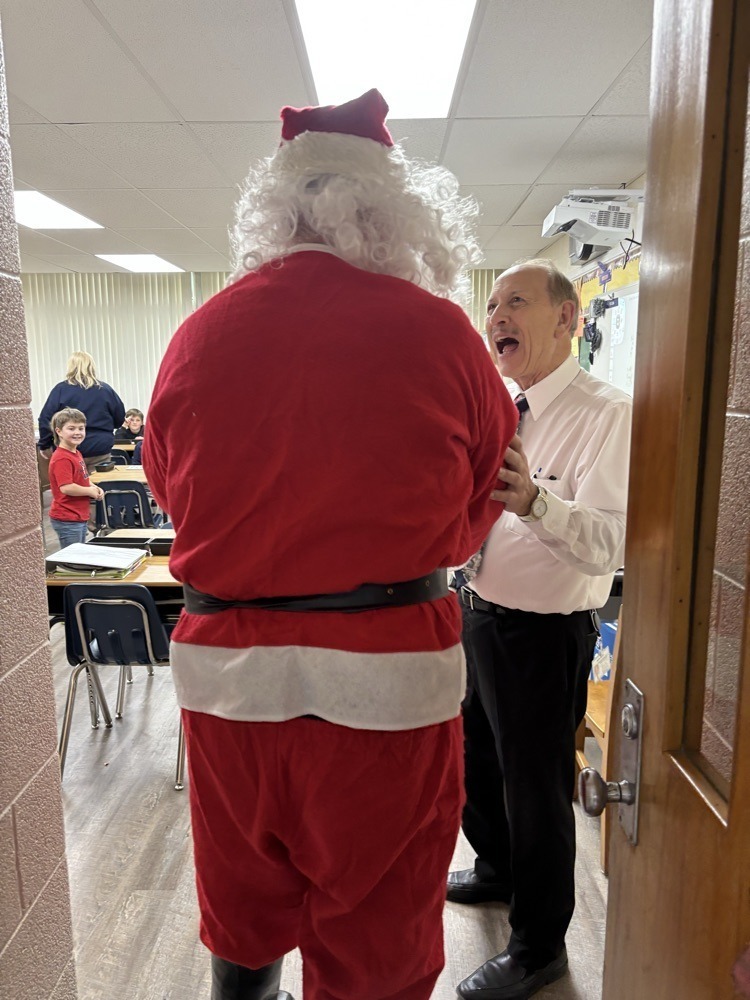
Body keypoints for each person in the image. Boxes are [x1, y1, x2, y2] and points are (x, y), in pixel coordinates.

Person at [143, 88, 518, 1000]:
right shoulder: (441, 334)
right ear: (393, 214)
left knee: (242, 911)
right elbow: (486, 492)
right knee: (378, 939)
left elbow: (169, 486)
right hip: (385, 684)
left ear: (277, 212)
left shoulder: (196, 336)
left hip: (230, 686)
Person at [449, 259, 632, 1000]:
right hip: (480, 614)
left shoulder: (608, 413)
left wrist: (535, 503)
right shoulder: (501, 406)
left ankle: (539, 946)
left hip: (545, 639)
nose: (496, 317)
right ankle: (496, 871)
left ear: (568, 317)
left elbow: (611, 543)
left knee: (537, 790)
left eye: (515, 302)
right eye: (491, 304)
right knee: (478, 766)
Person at [38, 351, 125, 473]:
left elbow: (45, 419)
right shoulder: (105, 390)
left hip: (69, 447)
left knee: (71, 486)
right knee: (100, 487)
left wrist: (45, 445)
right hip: (99, 447)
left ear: (70, 367)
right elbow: (119, 417)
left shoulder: (60, 390)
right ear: (92, 366)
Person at [47, 407, 105, 548]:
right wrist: (89, 492)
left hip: (78, 515)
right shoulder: (62, 458)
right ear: (59, 431)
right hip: (67, 517)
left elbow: (81, 478)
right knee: (73, 559)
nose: (77, 433)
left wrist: (93, 486)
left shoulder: (75, 452)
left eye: (81, 428)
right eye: (71, 428)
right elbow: (67, 487)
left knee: (80, 553)